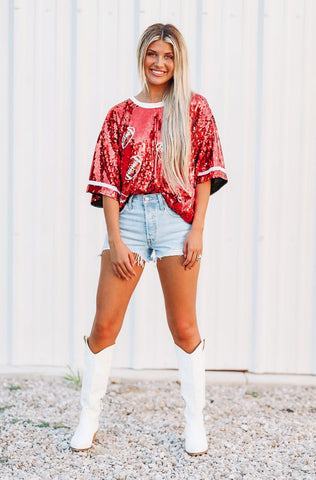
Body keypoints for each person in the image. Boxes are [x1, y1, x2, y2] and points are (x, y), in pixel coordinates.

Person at [70, 23, 228, 456]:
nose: (160, 63)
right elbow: (106, 183)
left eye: (169, 56)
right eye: (153, 54)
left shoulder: (194, 108)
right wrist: (116, 240)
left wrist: (197, 229)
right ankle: (89, 417)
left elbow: (204, 172)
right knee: (104, 324)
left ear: (179, 62)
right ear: (142, 56)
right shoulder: (119, 114)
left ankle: (195, 422)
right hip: (130, 220)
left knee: (183, 325)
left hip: (178, 220)